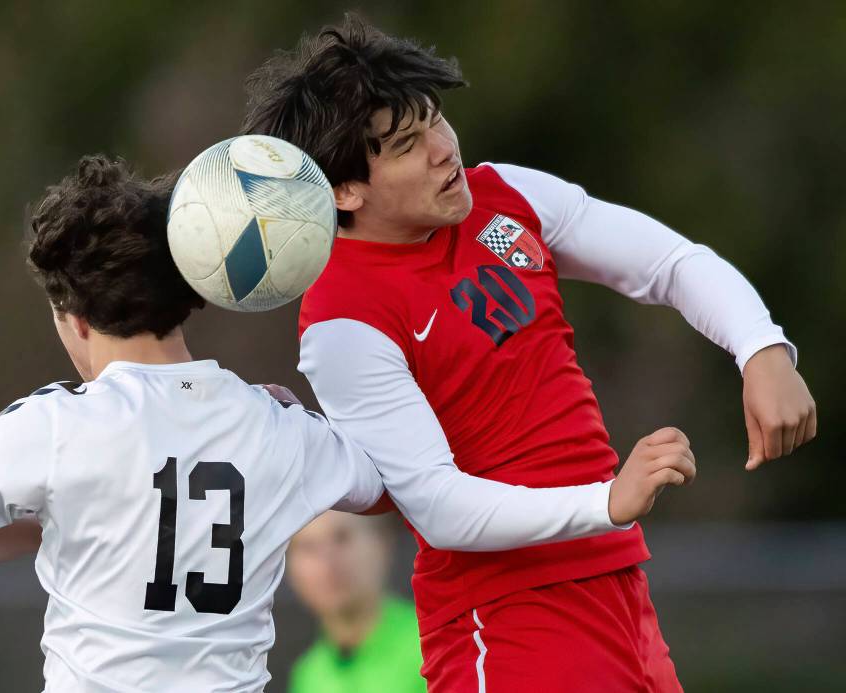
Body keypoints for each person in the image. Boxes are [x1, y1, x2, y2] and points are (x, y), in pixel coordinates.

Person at [0, 155, 690, 692]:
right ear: (195, 291)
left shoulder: (46, 433)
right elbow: (387, 481)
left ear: (70, 317)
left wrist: (42, 523)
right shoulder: (278, 431)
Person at [242, 14, 817, 692]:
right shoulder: (343, 318)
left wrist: (761, 348)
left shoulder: (503, 195)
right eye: (405, 143)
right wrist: (605, 499)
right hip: (504, 620)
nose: (441, 149)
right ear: (344, 191)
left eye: (435, 119)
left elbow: (670, 262)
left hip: (618, 587)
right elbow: (438, 504)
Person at [286, 512, 425, 693]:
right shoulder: (307, 675)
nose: (327, 562)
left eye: (342, 538)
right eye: (308, 547)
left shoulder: (436, 646)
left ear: (382, 541)